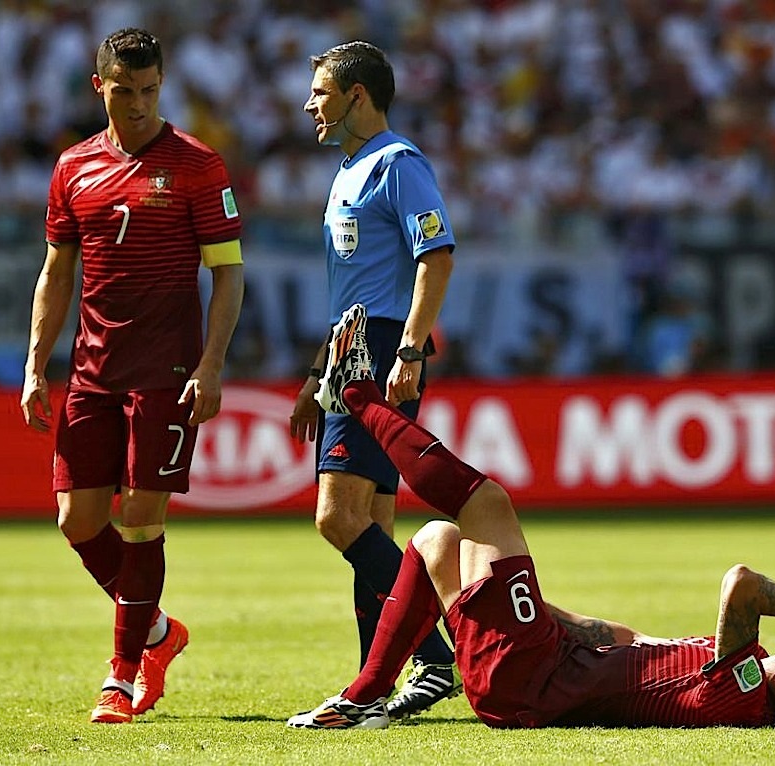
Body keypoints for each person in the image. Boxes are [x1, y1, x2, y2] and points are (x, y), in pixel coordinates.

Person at [288, 304, 775, 730]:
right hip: (533, 668)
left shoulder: (744, 696)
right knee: (438, 540)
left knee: (486, 503)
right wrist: (533, 610)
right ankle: (367, 696)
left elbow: (741, 582)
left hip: (532, 677)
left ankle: (356, 395)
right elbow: (625, 640)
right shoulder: (737, 669)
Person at [19, 28, 244, 724]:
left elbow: (228, 274)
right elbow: (56, 272)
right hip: (92, 368)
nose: (139, 103)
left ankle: (119, 677)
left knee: (141, 518)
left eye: (150, 89)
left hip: (167, 370)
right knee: (77, 519)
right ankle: (156, 630)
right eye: (125, 90)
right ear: (100, 87)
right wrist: (35, 364)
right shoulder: (73, 167)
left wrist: (211, 364)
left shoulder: (198, 164)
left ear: (162, 84)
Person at [288, 41, 459, 720]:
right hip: (349, 349)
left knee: (337, 517)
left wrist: (409, 348)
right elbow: (350, 292)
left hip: (380, 348)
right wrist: (317, 374)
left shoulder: (398, 163)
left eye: (321, 93)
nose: (310, 105)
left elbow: (436, 254)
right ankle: (376, 683)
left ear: (357, 94)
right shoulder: (347, 171)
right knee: (375, 525)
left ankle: (435, 657)